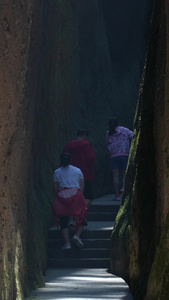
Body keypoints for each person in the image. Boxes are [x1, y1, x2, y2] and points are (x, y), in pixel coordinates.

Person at [53, 152, 87, 250]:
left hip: (62, 195)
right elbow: (82, 186)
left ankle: (67, 243)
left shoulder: (57, 172)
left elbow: (55, 188)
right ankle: (76, 235)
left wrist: (58, 198)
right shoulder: (77, 171)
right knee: (81, 217)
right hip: (76, 194)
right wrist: (80, 197)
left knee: (63, 220)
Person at [63, 128, 95, 208]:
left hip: (69, 174)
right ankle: (81, 212)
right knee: (88, 196)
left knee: (71, 196)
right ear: (85, 135)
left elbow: (63, 156)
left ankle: (73, 213)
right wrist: (90, 167)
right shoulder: (86, 145)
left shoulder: (69, 145)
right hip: (84, 173)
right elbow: (91, 158)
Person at [106, 117, 133, 201]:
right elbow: (133, 135)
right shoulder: (124, 130)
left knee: (115, 175)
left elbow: (107, 144)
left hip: (113, 156)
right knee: (125, 173)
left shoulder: (108, 132)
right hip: (124, 154)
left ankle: (117, 194)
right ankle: (124, 187)